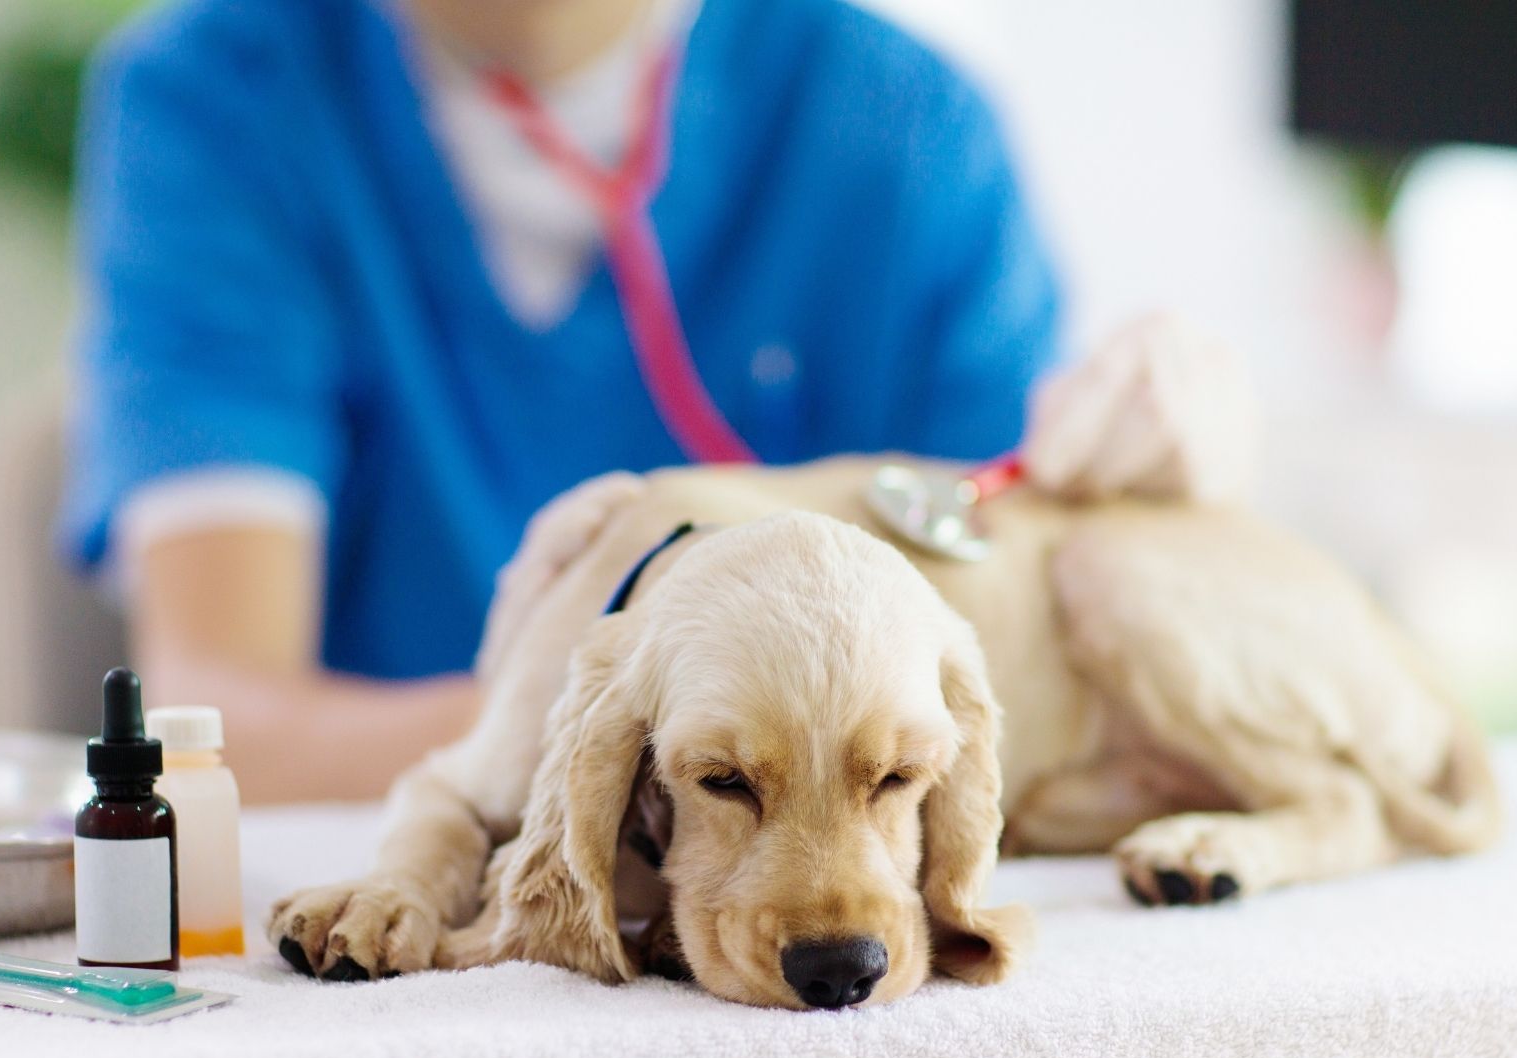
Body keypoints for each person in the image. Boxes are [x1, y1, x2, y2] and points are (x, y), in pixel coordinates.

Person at [62, 0, 1068, 802]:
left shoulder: (908, 125)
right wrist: (631, 729)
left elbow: (1019, 676)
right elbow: (213, 725)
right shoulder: (222, 98)